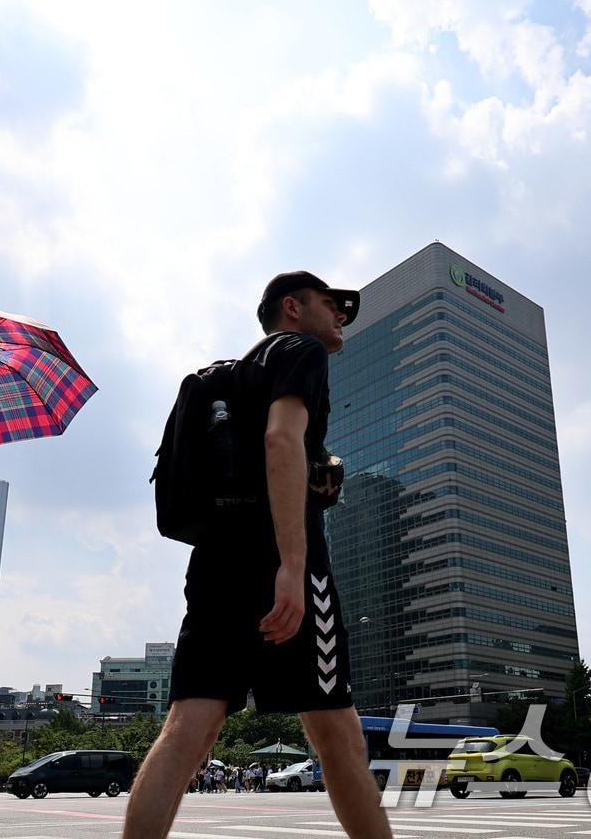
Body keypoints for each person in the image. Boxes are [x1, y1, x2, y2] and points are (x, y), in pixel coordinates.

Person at [121, 271, 392, 839]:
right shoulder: (301, 352)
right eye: (332, 303)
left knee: (186, 731)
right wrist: (292, 567)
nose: (342, 314)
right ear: (292, 308)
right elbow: (280, 439)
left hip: (216, 563)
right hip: (282, 565)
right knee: (338, 738)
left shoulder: (225, 380)